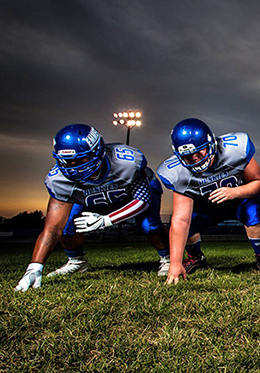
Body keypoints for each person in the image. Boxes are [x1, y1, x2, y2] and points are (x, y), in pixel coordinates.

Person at [15, 124, 170, 292]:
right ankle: (76, 261)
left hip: (130, 194)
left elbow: (143, 201)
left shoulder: (127, 162)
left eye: (81, 159)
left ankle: (167, 258)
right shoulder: (58, 180)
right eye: (68, 161)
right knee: (67, 226)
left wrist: (106, 220)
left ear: (98, 151)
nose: (74, 166)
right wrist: (35, 267)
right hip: (89, 199)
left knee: (150, 224)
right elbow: (52, 229)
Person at [157, 118, 260, 284]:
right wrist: (175, 263)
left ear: (211, 144)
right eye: (188, 156)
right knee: (184, 224)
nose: (196, 159)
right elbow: (181, 219)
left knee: (253, 210)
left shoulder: (236, 149)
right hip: (206, 207)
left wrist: (235, 192)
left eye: (199, 152)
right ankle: (195, 257)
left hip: (239, 200)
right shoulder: (176, 172)